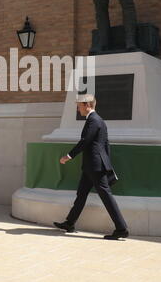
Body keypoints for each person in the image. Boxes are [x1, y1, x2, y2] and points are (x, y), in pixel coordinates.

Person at [53, 94, 129, 240]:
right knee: (81, 195)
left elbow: (85, 141)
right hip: (91, 166)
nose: (77, 108)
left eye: (79, 106)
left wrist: (68, 156)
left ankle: (121, 228)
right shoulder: (97, 120)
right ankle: (70, 223)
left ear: (87, 105)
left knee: (106, 196)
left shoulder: (94, 120)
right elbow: (105, 144)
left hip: (95, 167)